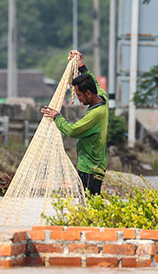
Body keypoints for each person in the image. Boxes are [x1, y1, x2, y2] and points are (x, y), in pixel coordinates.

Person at [40, 50, 108, 195]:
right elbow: (94, 82)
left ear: (88, 93)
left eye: (79, 95)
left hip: (90, 168)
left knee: (88, 202)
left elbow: (72, 130)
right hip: (97, 165)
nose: (78, 99)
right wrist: (81, 66)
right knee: (91, 202)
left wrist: (57, 116)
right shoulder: (103, 97)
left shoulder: (95, 114)